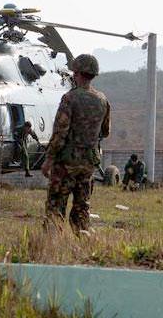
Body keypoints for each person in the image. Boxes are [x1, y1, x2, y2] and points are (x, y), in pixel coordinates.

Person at [41, 54, 110, 234]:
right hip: (88, 164)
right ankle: (85, 244)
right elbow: (105, 132)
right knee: (82, 208)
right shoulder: (102, 100)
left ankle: (51, 246)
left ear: (76, 72)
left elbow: (60, 132)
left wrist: (49, 159)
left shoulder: (69, 98)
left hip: (66, 163)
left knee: (56, 206)